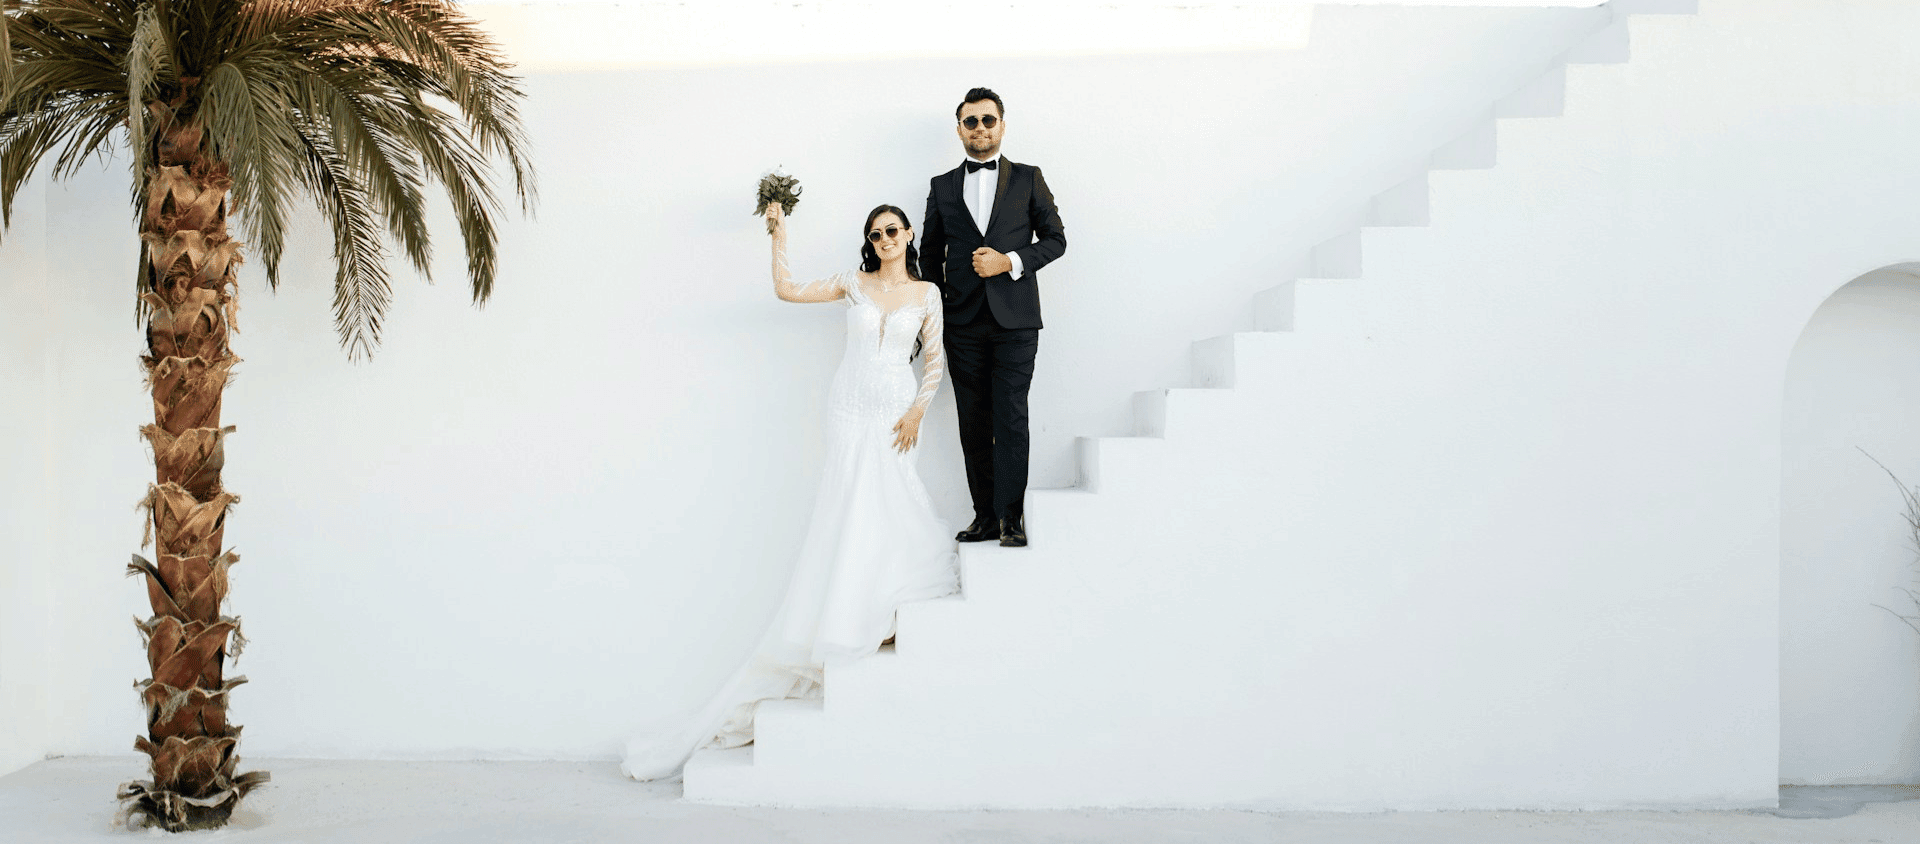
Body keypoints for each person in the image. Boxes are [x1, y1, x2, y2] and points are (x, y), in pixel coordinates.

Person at [621, 203, 959, 781]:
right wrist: (779, 237)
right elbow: (787, 290)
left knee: (894, 493)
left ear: (908, 236)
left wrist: (918, 412)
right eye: (875, 234)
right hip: (849, 406)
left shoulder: (928, 293)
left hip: (895, 408)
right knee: (849, 500)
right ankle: (849, 608)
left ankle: (884, 600)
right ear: (869, 241)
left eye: (893, 231)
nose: (884, 240)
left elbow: (935, 358)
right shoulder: (851, 285)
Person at [919, 87, 1067, 548]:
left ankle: (1011, 517)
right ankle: (984, 516)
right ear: (959, 128)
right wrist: (939, 312)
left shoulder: (1028, 178)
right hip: (963, 325)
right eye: (970, 121)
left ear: (1002, 125)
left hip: (1016, 322)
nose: (979, 128)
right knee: (972, 421)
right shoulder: (942, 186)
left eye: (987, 120)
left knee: (1011, 417)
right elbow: (927, 256)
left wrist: (1009, 262)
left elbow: (1056, 239)